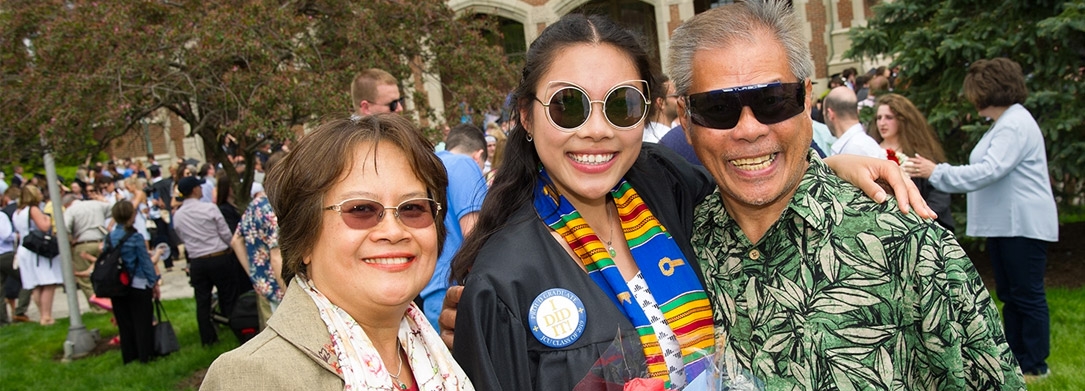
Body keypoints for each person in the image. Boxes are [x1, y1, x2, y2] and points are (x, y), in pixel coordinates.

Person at [446, 12, 933, 391]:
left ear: (648, 113)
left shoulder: (664, 184)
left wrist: (827, 166)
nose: (596, 129)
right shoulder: (503, 281)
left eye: (621, 104)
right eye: (568, 105)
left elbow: (749, 181)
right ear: (528, 119)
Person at [669, 1, 1024, 389]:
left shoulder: (910, 247)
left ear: (807, 100)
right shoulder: (676, 249)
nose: (749, 129)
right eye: (718, 108)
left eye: (772, 101)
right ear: (686, 120)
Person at [202, 114, 472, 390]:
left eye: (413, 208)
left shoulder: (440, 356)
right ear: (304, 238)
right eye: (361, 209)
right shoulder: (253, 377)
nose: (393, 231)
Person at [908, 57, 1058, 380]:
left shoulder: (1015, 124)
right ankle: (1019, 358)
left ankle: (1035, 363)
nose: (972, 99)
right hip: (1008, 225)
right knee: (1011, 294)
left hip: (1023, 225)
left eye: (976, 92)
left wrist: (937, 172)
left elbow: (989, 171)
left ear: (990, 91)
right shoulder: (1004, 124)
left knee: (1027, 295)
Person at [421, 124, 487, 329]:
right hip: (458, 290)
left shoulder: (428, 166)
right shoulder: (465, 164)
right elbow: (475, 236)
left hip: (430, 290)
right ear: (479, 156)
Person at [173, 175, 247, 346]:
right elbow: (225, 233)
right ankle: (236, 329)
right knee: (229, 295)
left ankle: (207, 338)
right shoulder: (209, 209)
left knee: (202, 301)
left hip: (197, 261)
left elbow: (181, 235)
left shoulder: (178, 215)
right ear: (194, 190)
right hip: (218, 256)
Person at [870, 93, 955, 230]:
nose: (882, 123)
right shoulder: (871, 150)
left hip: (920, 223)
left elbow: (939, 192)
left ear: (902, 120)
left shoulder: (919, 152)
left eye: (889, 117)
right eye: (879, 118)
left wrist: (920, 216)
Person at [106, 201, 162, 363]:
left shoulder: (109, 237)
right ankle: (146, 354)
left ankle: (129, 355)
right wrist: (154, 282)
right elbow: (145, 262)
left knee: (124, 322)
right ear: (132, 216)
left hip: (117, 284)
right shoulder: (136, 237)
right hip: (137, 282)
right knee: (142, 321)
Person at [12, 185, 63, 325]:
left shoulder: (18, 212)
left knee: (36, 284)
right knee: (48, 282)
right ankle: (46, 315)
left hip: (25, 247)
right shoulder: (33, 210)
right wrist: (47, 218)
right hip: (37, 248)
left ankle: (43, 314)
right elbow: (44, 226)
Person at [823, 86, 886, 158]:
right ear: (857, 112)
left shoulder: (855, 149)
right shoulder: (860, 144)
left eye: (824, 114)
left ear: (830, 114)